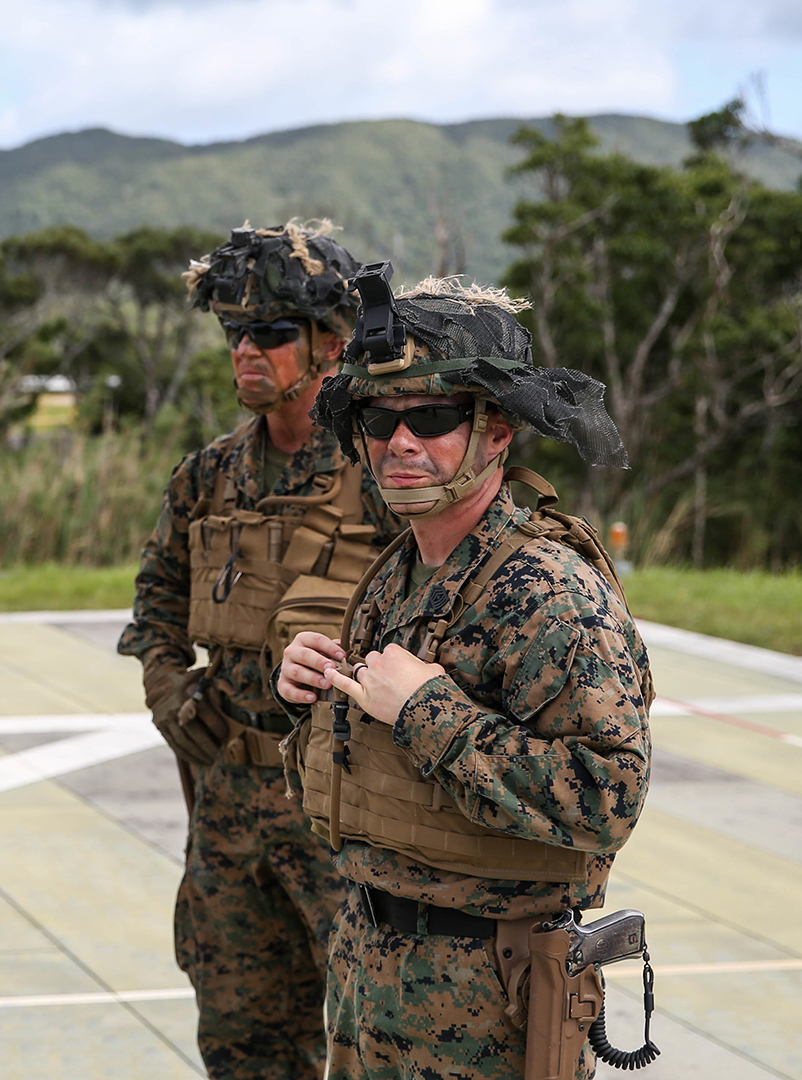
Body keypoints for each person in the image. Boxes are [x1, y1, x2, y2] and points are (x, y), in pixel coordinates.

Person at [273, 268, 652, 1079]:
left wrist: (426, 709)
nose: (401, 442)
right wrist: (312, 695)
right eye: (380, 417)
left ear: (500, 432)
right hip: (369, 967)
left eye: (435, 417)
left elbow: (607, 796)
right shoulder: (398, 570)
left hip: (487, 997)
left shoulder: (548, 589)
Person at [117, 222, 394, 1078]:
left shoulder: (383, 472)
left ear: (329, 346)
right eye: (236, 333)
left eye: (270, 333)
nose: (247, 351)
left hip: (343, 812)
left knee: (372, 1039)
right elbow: (156, 603)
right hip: (230, 808)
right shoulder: (206, 476)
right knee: (242, 1044)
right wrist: (171, 695)